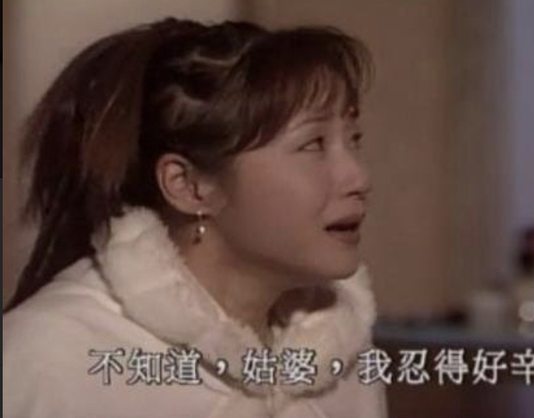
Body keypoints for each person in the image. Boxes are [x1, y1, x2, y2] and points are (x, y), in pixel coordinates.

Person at [3, 18, 387, 418]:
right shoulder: (53, 359)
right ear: (189, 186)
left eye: (354, 139)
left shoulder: (340, 355)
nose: (359, 178)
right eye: (313, 145)